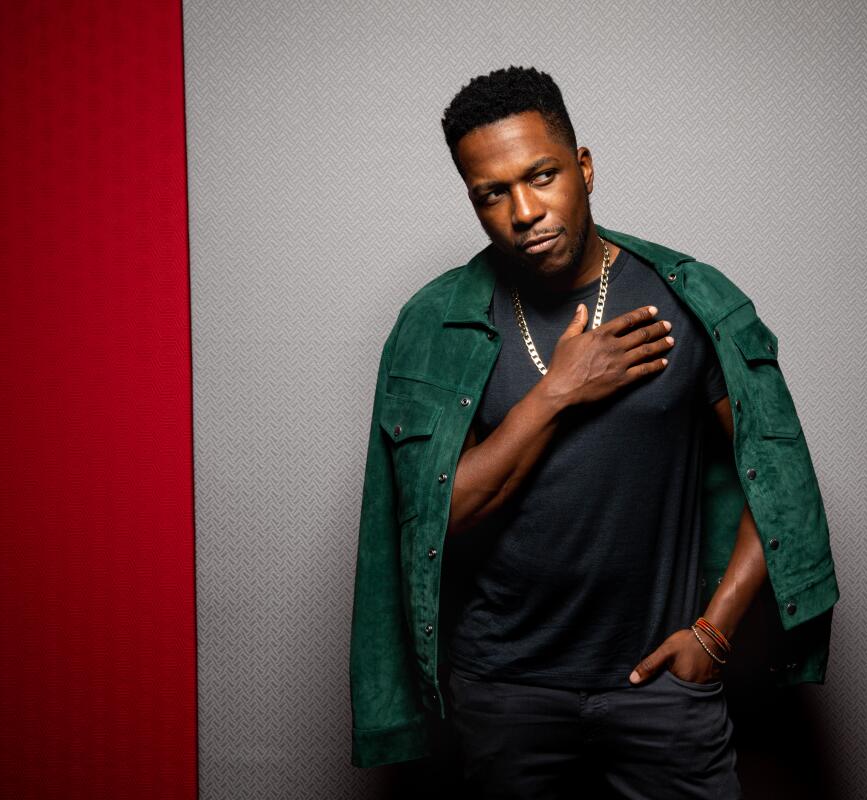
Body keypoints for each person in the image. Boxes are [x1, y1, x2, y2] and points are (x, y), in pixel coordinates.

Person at [348, 65, 840, 798]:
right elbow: (438, 519)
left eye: (541, 176)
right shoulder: (437, 326)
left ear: (583, 167)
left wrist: (715, 633)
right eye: (492, 193)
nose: (524, 210)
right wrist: (558, 393)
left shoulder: (686, 299)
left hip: (661, 689)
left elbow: (777, 479)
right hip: (505, 694)